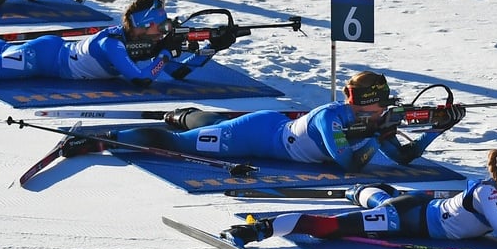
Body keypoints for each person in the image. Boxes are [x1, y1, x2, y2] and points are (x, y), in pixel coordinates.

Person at [224, 142, 497, 248]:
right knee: (329, 228)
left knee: (379, 199)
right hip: (409, 220)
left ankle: (363, 191)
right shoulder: (488, 195)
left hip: (423, 211)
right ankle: (260, 228)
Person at [76, 70, 463, 170]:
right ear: (369, 105)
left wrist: (435, 131)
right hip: (256, 136)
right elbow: (347, 163)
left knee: (201, 127)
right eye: (383, 107)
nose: (387, 112)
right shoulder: (331, 119)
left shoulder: (373, 121)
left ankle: (184, 113)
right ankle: (107, 137)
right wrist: (378, 136)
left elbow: (403, 159)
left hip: (273, 129)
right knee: (179, 144)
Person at [0, 0, 230, 86]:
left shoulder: (148, 42)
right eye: (157, 27)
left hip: (54, 57)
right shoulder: (112, 44)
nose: (162, 32)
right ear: (141, 26)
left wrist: (213, 47)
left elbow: (178, 73)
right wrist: (166, 55)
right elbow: (141, 79)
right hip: (44, 57)